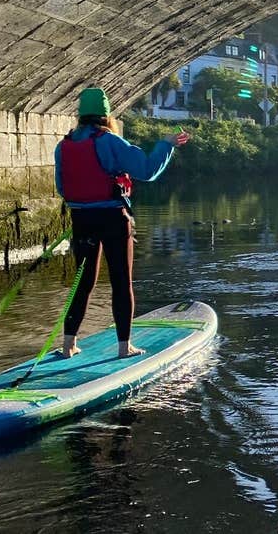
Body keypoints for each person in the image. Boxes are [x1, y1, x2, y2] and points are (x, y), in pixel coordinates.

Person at [54, 87, 189, 359]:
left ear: (81, 116)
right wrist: (166, 144)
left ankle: (68, 346)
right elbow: (147, 170)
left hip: (81, 220)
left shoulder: (64, 145)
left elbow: (62, 187)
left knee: (84, 282)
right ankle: (124, 347)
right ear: (106, 116)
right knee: (121, 281)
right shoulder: (110, 142)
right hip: (113, 218)